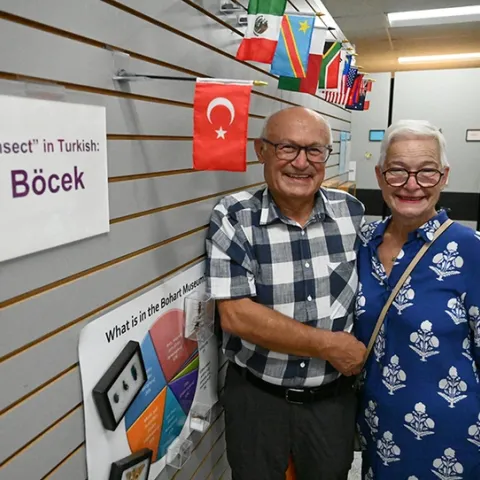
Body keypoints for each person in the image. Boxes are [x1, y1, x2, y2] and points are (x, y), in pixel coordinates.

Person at [205, 106, 367, 480]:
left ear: (327, 156)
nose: (301, 162)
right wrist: (329, 346)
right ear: (261, 151)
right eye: (287, 148)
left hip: (331, 402)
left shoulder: (352, 214)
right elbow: (236, 315)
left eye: (315, 150)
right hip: (258, 401)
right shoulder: (234, 216)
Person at [355, 120, 480, 479]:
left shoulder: (469, 251)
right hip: (378, 431)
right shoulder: (362, 244)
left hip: (454, 439)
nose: (411, 185)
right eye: (397, 171)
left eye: (427, 172)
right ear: (380, 176)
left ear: (444, 177)